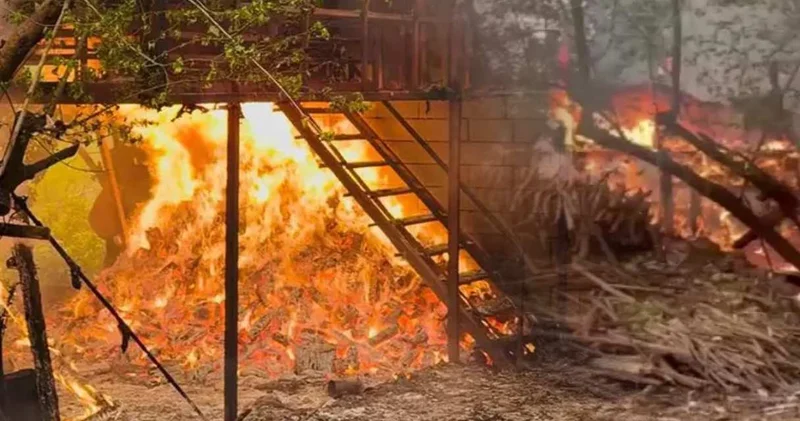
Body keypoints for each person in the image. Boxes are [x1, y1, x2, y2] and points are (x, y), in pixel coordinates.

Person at [88, 140, 153, 268]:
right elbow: (100, 226)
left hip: (150, 255)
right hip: (122, 260)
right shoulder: (113, 191)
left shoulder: (153, 186)